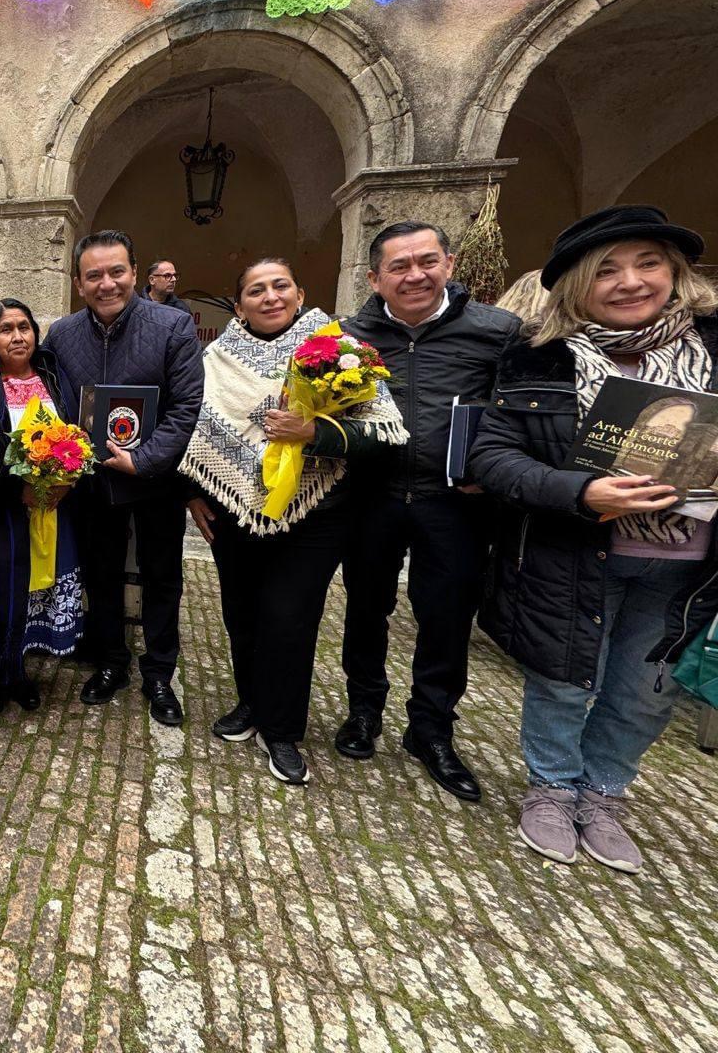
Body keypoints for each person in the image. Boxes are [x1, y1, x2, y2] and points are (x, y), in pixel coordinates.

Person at [470, 205, 718, 874]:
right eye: (606, 270)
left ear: (675, 273)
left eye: (647, 264)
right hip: (575, 548)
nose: (629, 281)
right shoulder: (539, 359)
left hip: (684, 565)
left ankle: (604, 795)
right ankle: (551, 787)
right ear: (578, 284)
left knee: (644, 690)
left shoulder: (715, 349)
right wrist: (580, 492)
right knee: (561, 677)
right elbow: (492, 457)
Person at [182, 259, 406, 784]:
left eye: (280, 286)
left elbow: (386, 434)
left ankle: (282, 730)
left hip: (316, 514)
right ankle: (251, 704)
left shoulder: (339, 350)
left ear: (300, 292)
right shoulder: (214, 359)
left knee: (289, 618)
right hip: (234, 509)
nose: (269, 297)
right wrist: (194, 491)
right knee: (240, 614)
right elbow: (193, 426)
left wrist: (315, 434)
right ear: (238, 306)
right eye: (255, 290)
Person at [337, 222, 520, 802]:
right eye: (399, 266)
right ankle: (364, 712)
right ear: (374, 278)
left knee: (445, 618)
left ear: (449, 262)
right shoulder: (348, 336)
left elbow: (521, 414)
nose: (414, 275)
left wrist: (493, 471)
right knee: (366, 609)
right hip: (373, 497)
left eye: (427, 261)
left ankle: (432, 729)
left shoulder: (498, 332)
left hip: (456, 504)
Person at [43, 230, 203, 726]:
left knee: (162, 577)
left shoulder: (173, 326)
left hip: (156, 480)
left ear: (135, 273)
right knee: (102, 574)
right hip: (92, 484)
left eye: (117, 272)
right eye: (94, 275)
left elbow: (186, 408)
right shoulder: (61, 335)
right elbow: (49, 405)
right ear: (78, 282)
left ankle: (159, 671)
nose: (106, 283)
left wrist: (146, 459)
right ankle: (111, 661)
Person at [0, 299, 83, 712]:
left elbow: (74, 431)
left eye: (25, 327)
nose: (18, 337)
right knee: (0, 591)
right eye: (6, 329)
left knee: (36, 590)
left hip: (52, 506)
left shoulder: (51, 375)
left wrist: (68, 477)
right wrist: (17, 491)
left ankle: (20, 669)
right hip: (0, 509)